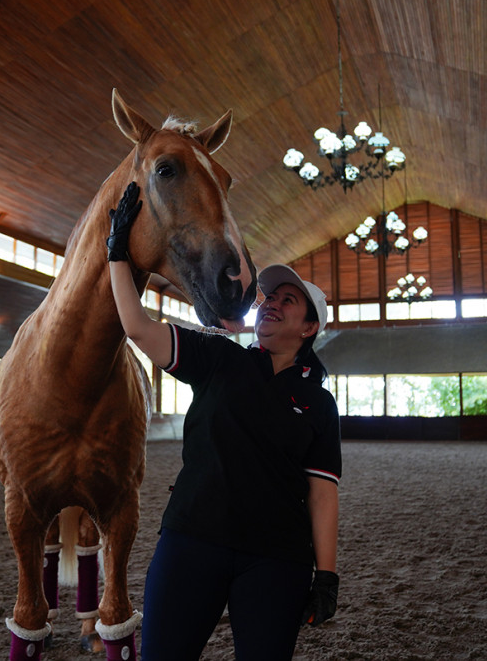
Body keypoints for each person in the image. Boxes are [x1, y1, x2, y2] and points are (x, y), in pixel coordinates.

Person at [107, 182, 342, 660]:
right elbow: (137, 327)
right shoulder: (218, 357)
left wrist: (327, 575)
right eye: (269, 297)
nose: (271, 302)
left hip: (276, 557)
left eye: (288, 300)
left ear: (309, 327)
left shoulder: (318, 402)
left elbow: (322, 493)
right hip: (192, 539)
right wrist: (118, 256)